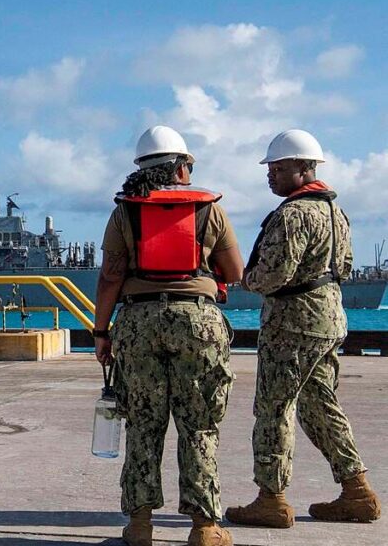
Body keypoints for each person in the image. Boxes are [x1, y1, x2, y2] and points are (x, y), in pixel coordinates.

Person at [92, 126, 244, 546]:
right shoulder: (209, 209)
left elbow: (110, 278)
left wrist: (101, 332)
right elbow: (235, 272)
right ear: (179, 168)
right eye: (189, 165)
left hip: (138, 323)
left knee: (143, 424)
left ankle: (140, 526)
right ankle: (205, 528)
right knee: (199, 426)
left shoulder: (124, 212)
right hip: (198, 322)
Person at [226, 129, 381, 527]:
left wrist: (245, 280)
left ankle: (271, 498)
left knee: (274, 408)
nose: (270, 175)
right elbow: (345, 266)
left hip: (291, 324)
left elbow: (273, 274)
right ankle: (357, 490)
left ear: (304, 167)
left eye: (278, 168)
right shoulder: (335, 211)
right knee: (319, 405)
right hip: (329, 318)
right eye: (270, 169)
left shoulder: (292, 214)